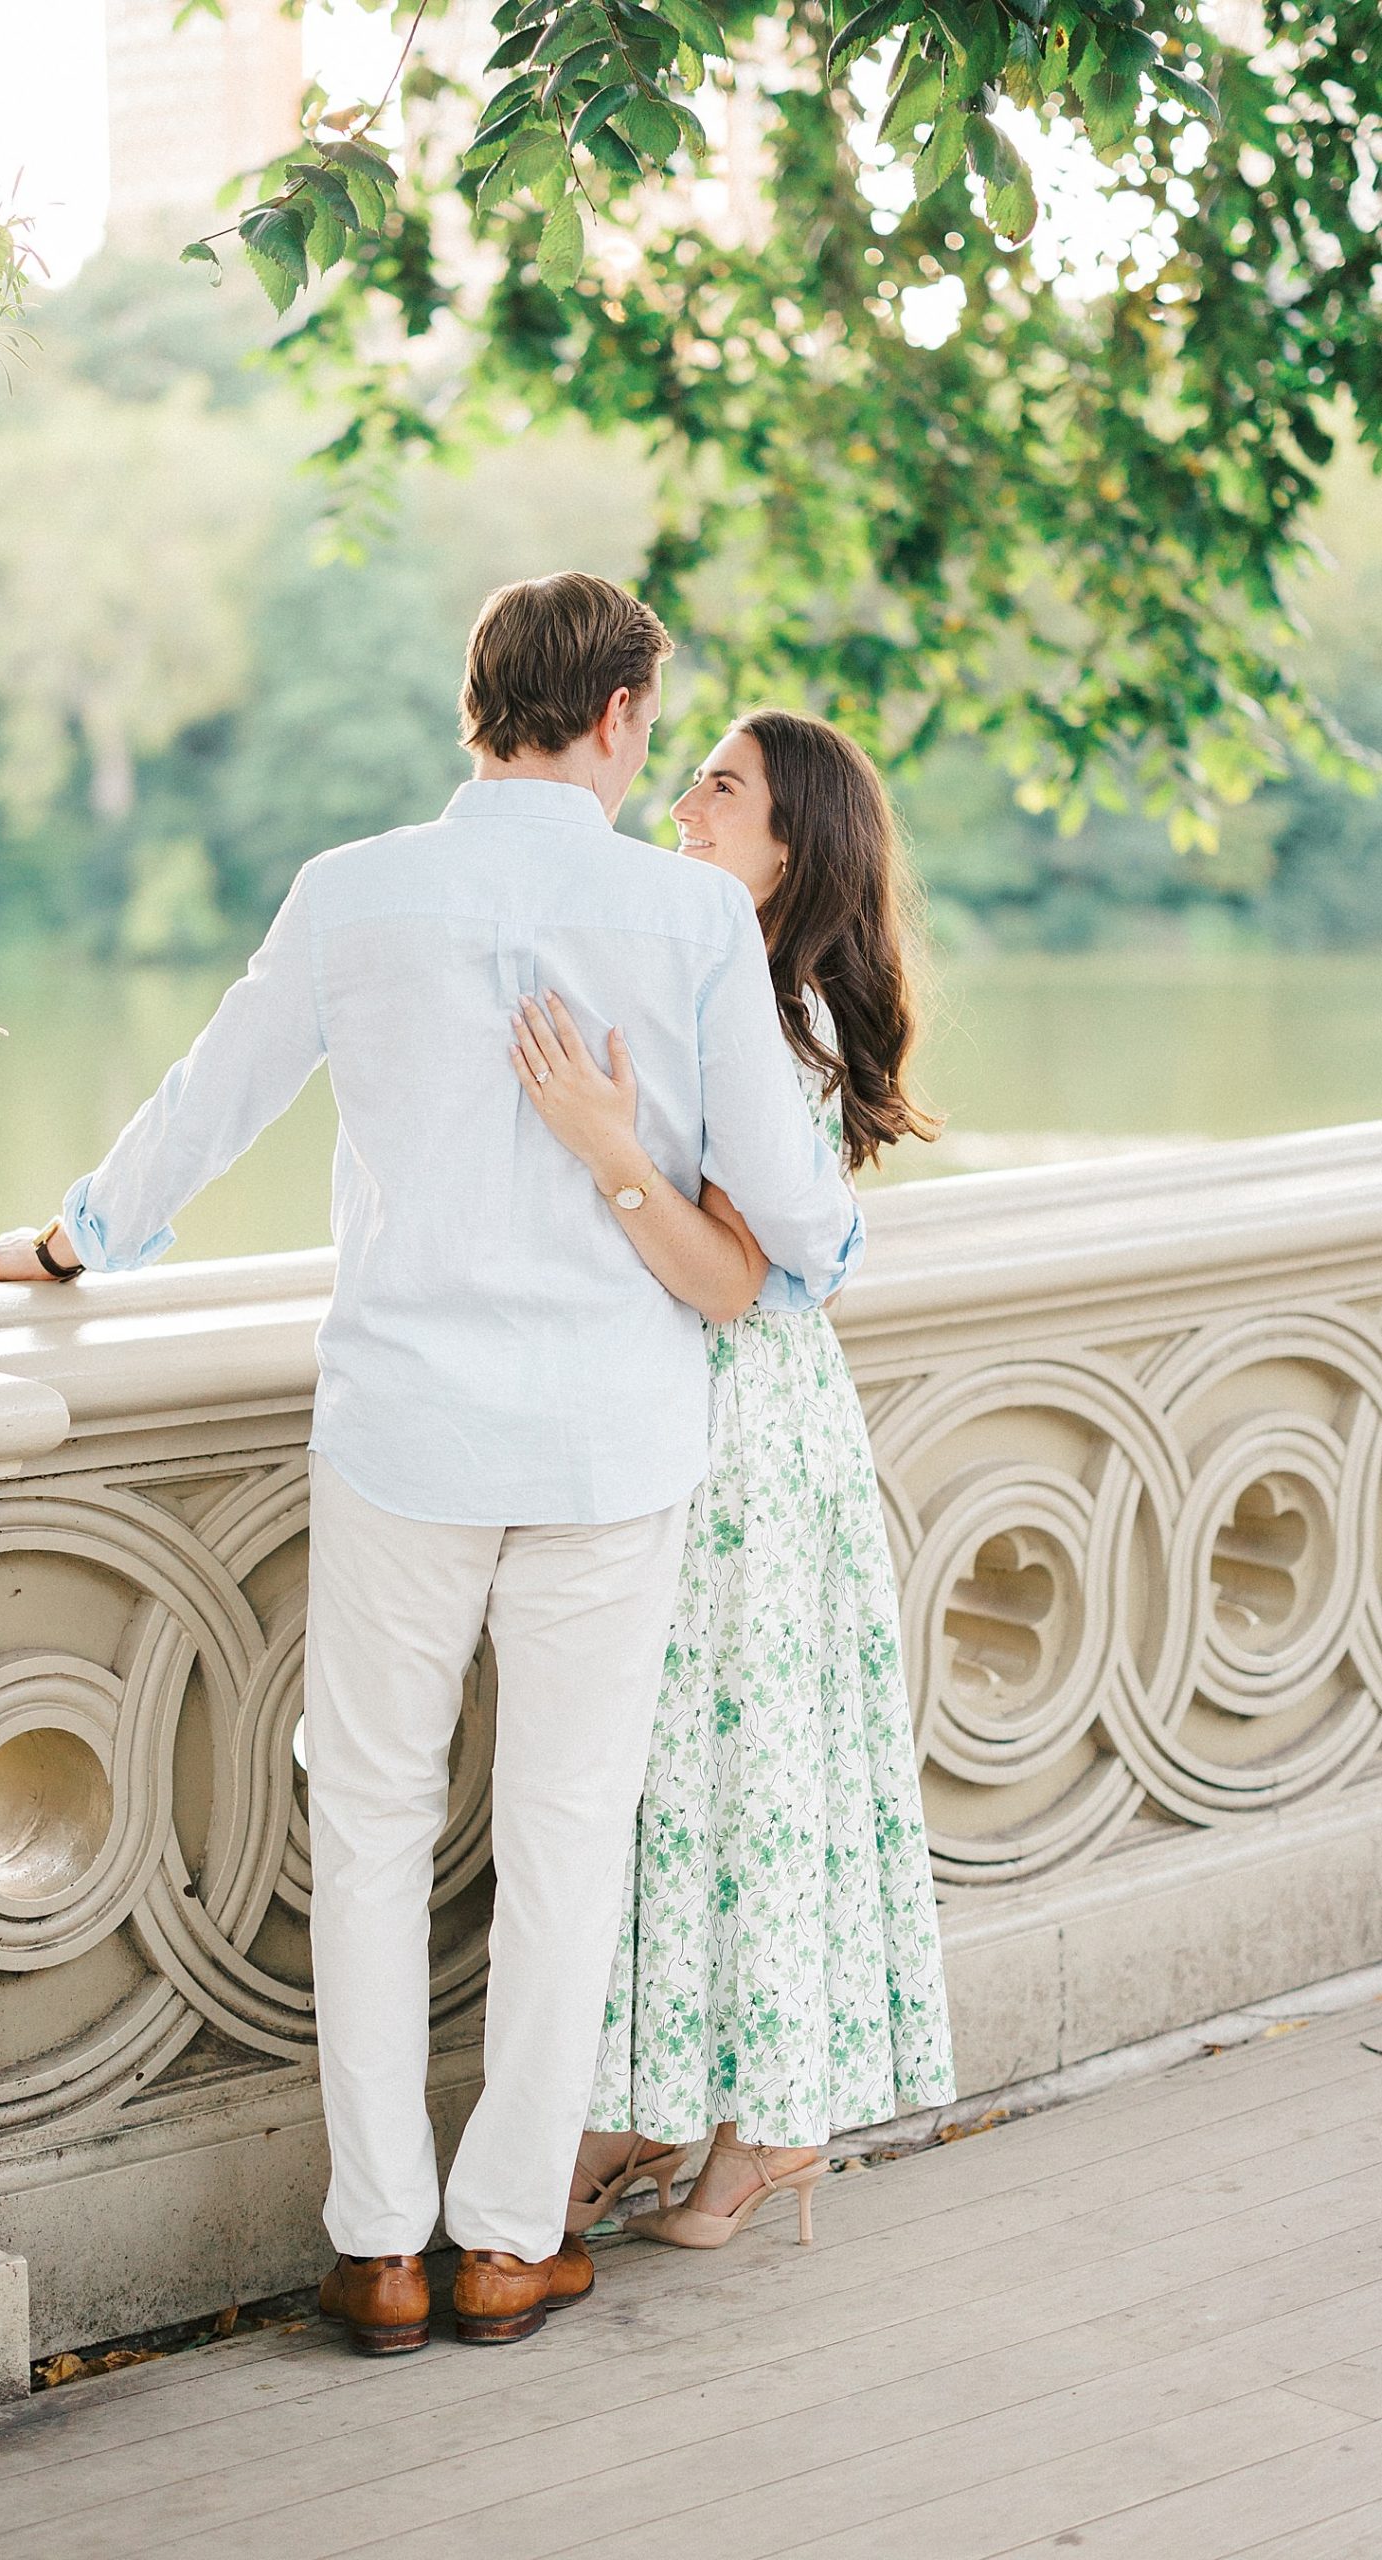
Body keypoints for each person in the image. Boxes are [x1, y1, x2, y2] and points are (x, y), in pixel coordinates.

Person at [0, 579, 863, 2350]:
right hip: (608, 1441)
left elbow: (208, 1104)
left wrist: (74, 1245)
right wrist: (791, 1240)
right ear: (617, 716)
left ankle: (379, 2248)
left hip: (403, 1432)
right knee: (562, 1838)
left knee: (370, 1828)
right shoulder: (688, 913)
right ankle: (508, 2241)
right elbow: (794, 1217)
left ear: (479, 705)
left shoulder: (352, 891)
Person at [511, 709, 955, 2252]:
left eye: (722, 787)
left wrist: (604, 1147)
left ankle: (758, 2124)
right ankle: (674, 2108)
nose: (684, 804)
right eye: (689, 776)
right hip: (686, 1417)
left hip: (740, 1433)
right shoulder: (717, 979)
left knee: (734, 1780)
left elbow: (728, 1278)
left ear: (790, 846)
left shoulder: (782, 1022)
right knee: (674, 1784)